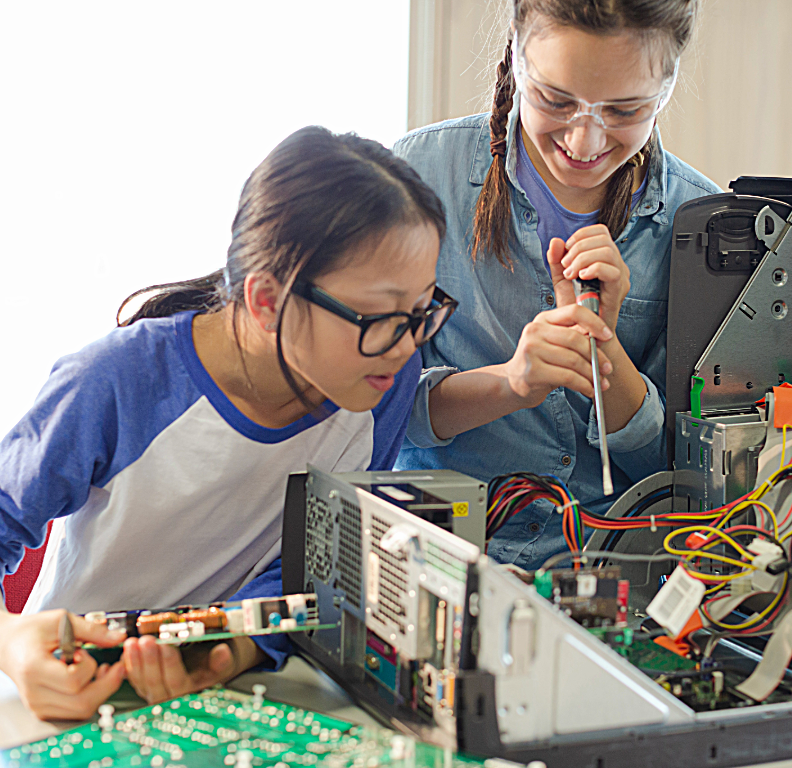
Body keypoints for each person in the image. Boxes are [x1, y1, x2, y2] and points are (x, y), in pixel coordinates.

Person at [0, 127, 454, 719]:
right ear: (267, 300)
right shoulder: (117, 380)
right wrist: (11, 641)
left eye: (422, 312)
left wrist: (233, 649)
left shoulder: (379, 382)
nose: (406, 345)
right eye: (379, 316)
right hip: (74, 699)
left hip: (229, 701)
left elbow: (308, 561)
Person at [393, 0, 718, 568]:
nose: (586, 142)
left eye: (625, 110)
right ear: (516, 57)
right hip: (435, 558)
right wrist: (511, 383)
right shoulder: (419, 177)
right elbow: (380, 413)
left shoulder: (702, 225)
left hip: (614, 573)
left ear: (666, 90)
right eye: (555, 100)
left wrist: (605, 355)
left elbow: (682, 475)